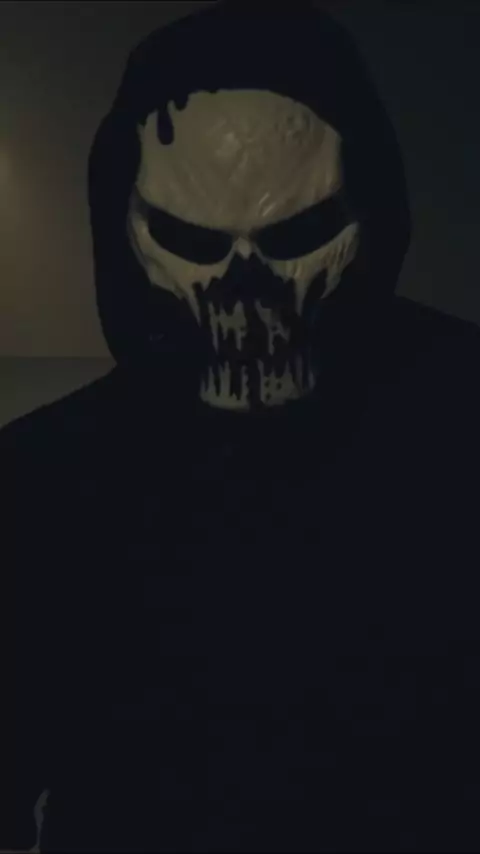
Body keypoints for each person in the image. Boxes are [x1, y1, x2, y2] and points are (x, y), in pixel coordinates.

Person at [5, 1, 480, 850]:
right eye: (191, 241)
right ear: (125, 233)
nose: (245, 292)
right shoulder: (38, 485)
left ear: (372, 218)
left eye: (302, 233)